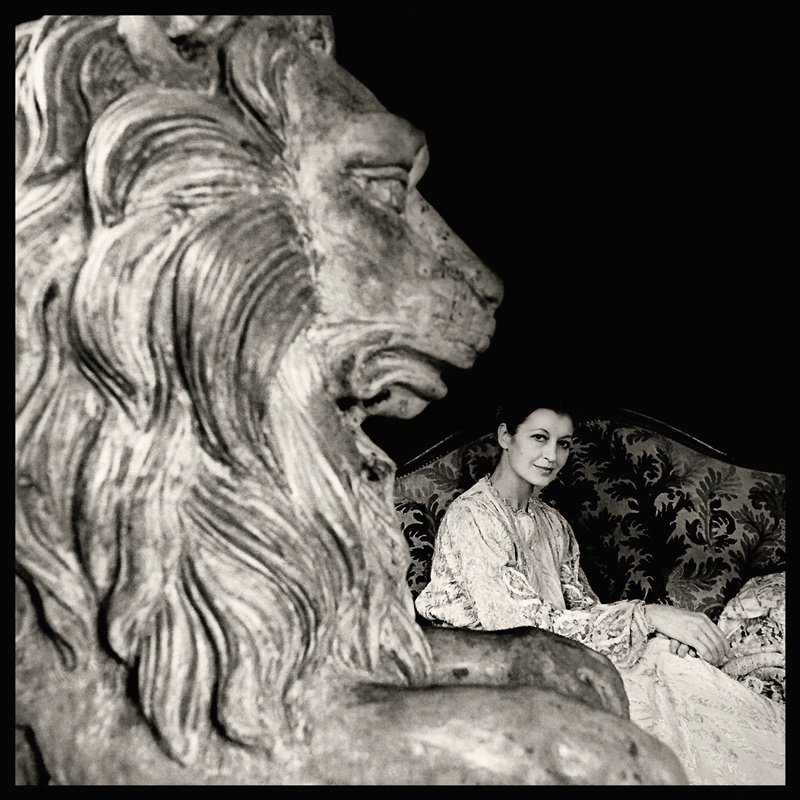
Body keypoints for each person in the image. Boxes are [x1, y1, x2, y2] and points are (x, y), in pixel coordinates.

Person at [414, 396, 785, 785]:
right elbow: (519, 630)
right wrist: (646, 616)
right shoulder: (472, 516)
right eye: (539, 437)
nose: (551, 456)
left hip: (557, 657)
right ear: (506, 436)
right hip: (496, 672)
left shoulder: (552, 522)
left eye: (563, 443)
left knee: (673, 669)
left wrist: (655, 632)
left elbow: (582, 611)